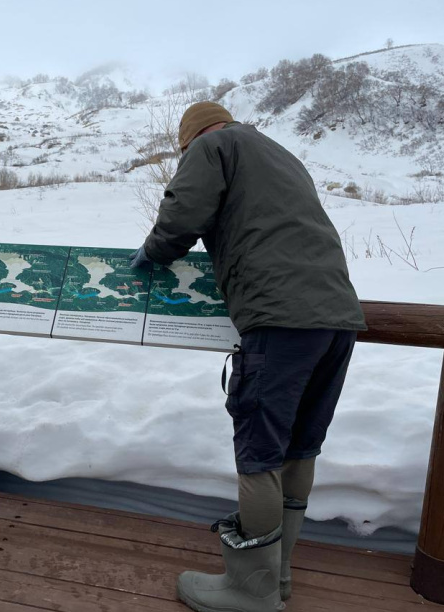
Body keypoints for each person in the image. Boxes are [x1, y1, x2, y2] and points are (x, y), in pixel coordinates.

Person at [130, 102, 366, 612]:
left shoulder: (212, 147)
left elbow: (184, 211)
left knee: (259, 453)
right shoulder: (280, 154)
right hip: (338, 319)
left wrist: (155, 252)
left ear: (190, 140)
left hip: (278, 320)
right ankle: (278, 576)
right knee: (300, 445)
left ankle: (250, 590)